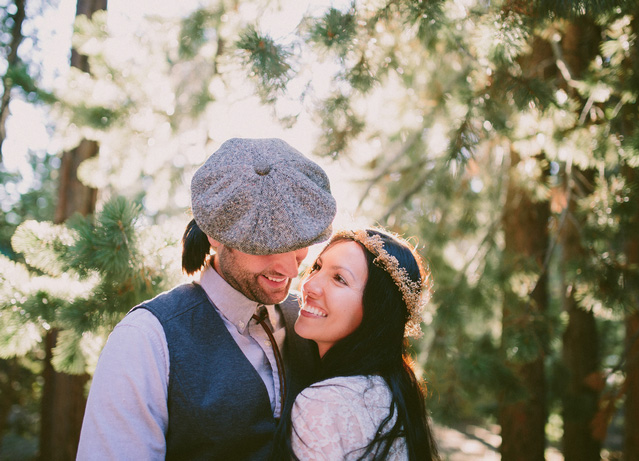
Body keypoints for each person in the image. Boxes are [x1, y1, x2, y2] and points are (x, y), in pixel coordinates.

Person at [76, 137, 336, 460]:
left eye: (298, 240)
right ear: (215, 235)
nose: (289, 268)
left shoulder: (315, 320)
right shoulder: (146, 339)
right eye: (265, 245)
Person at [273, 228, 440, 460]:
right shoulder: (396, 390)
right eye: (317, 267)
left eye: (339, 279)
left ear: (376, 311)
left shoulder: (323, 404)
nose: (309, 285)